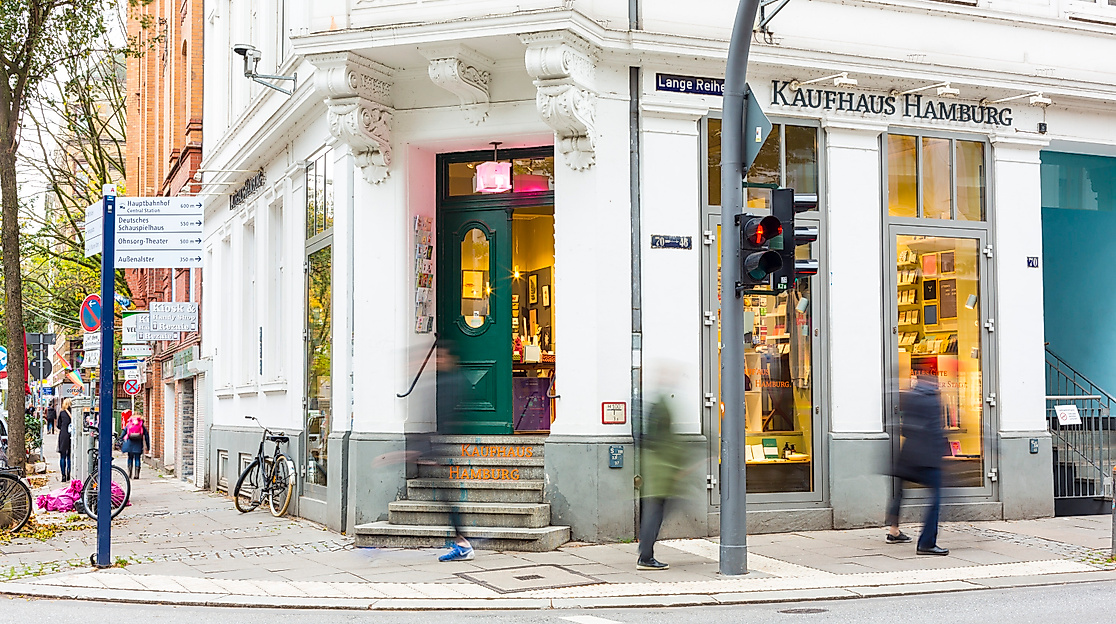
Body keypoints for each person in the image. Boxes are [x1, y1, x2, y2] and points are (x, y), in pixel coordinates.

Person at [885, 373, 950, 556]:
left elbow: (905, 428)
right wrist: (941, 455)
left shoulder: (911, 398)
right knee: (936, 498)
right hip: (927, 458)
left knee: (899, 492)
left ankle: (893, 529)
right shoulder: (933, 401)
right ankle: (927, 542)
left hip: (907, 455)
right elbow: (937, 430)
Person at [637, 389, 687, 571]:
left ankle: (645, 552)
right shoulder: (661, 409)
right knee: (655, 513)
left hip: (659, 472)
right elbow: (666, 445)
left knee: (655, 512)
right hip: (661, 474)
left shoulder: (657, 407)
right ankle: (645, 556)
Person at [434, 346, 475, 562]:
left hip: (441, 447)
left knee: (447, 499)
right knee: (445, 499)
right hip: (439, 447)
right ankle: (461, 542)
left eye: (440, 356)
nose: (437, 360)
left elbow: (448, 415)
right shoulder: (447, 380)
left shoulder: (449, 382)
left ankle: (463, 544)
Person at [120, 410, 150, 479]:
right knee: (137, 458)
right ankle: (136, 475)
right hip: (138, 443)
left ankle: (129, 473)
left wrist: (120, 439)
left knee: (130, 457)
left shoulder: (129, 423)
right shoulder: (141, 424)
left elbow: (124, 432)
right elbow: (146, 435)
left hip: (129, 442)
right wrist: (148, 446)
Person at [57, 398, 73, 482]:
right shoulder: (74, 412)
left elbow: (58, 425)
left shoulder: (62, 413)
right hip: (71, 435)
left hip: (63, 435)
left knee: (62, 456)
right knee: (69, 456)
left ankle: (63, 475)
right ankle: (69, 474)